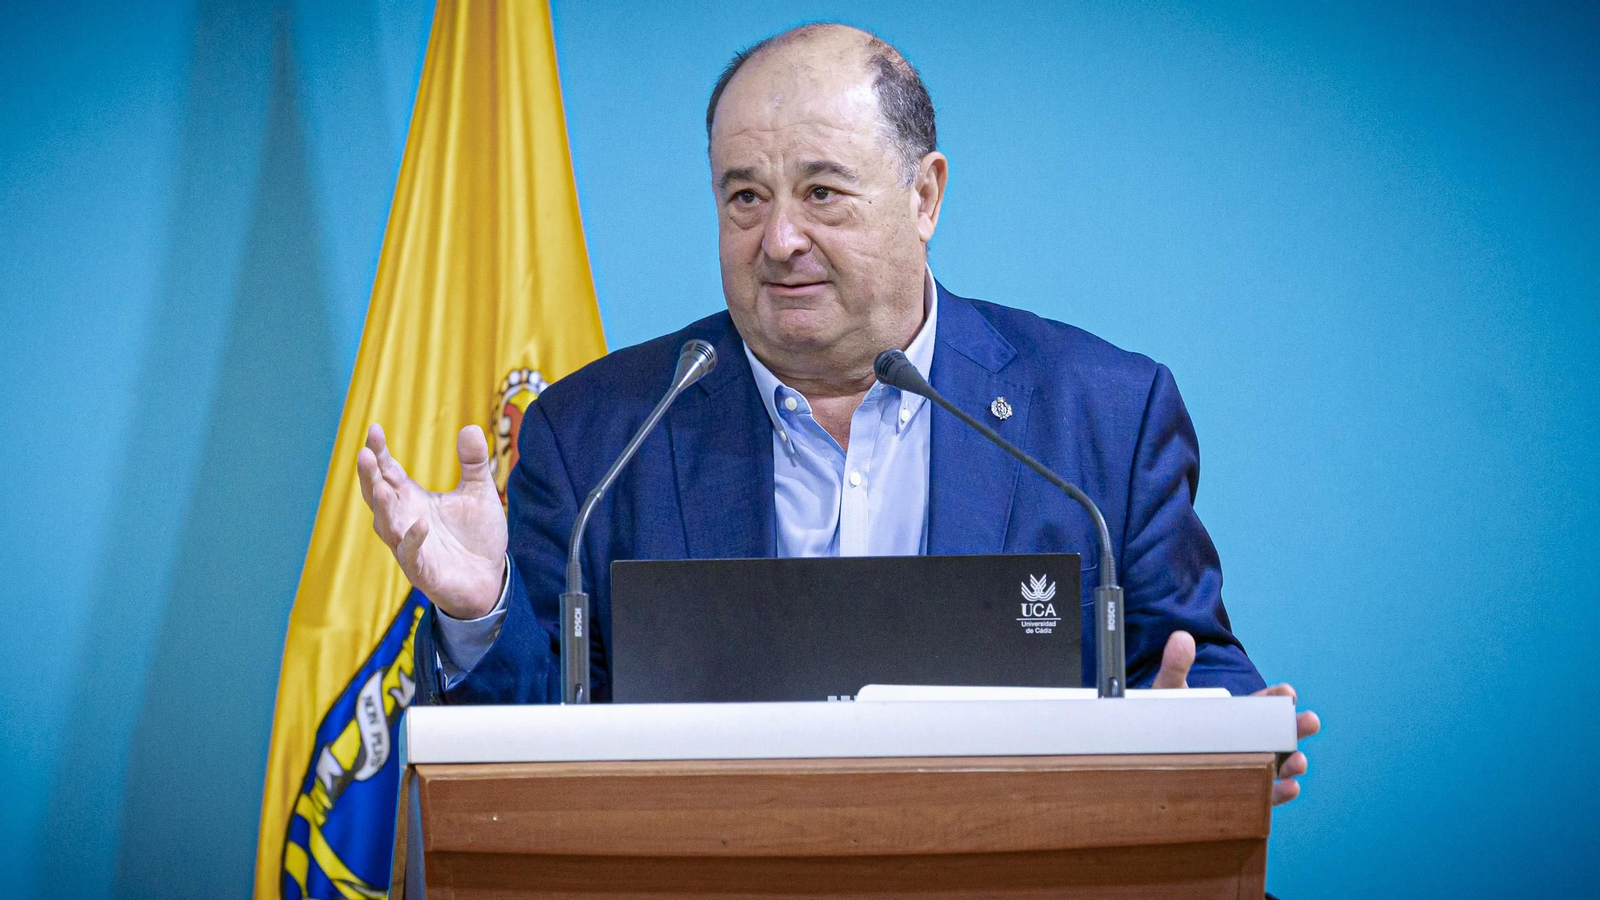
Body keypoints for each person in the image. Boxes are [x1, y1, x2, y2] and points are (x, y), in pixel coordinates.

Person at [356, 23, 1318, 803]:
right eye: (744, 198)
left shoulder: (1101, 413)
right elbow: (533, 750)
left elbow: (1193, 660)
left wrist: (1228, 735)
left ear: (924, 194)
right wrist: (480, 611)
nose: (780, 239)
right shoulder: (599, 435)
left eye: (822, 191)